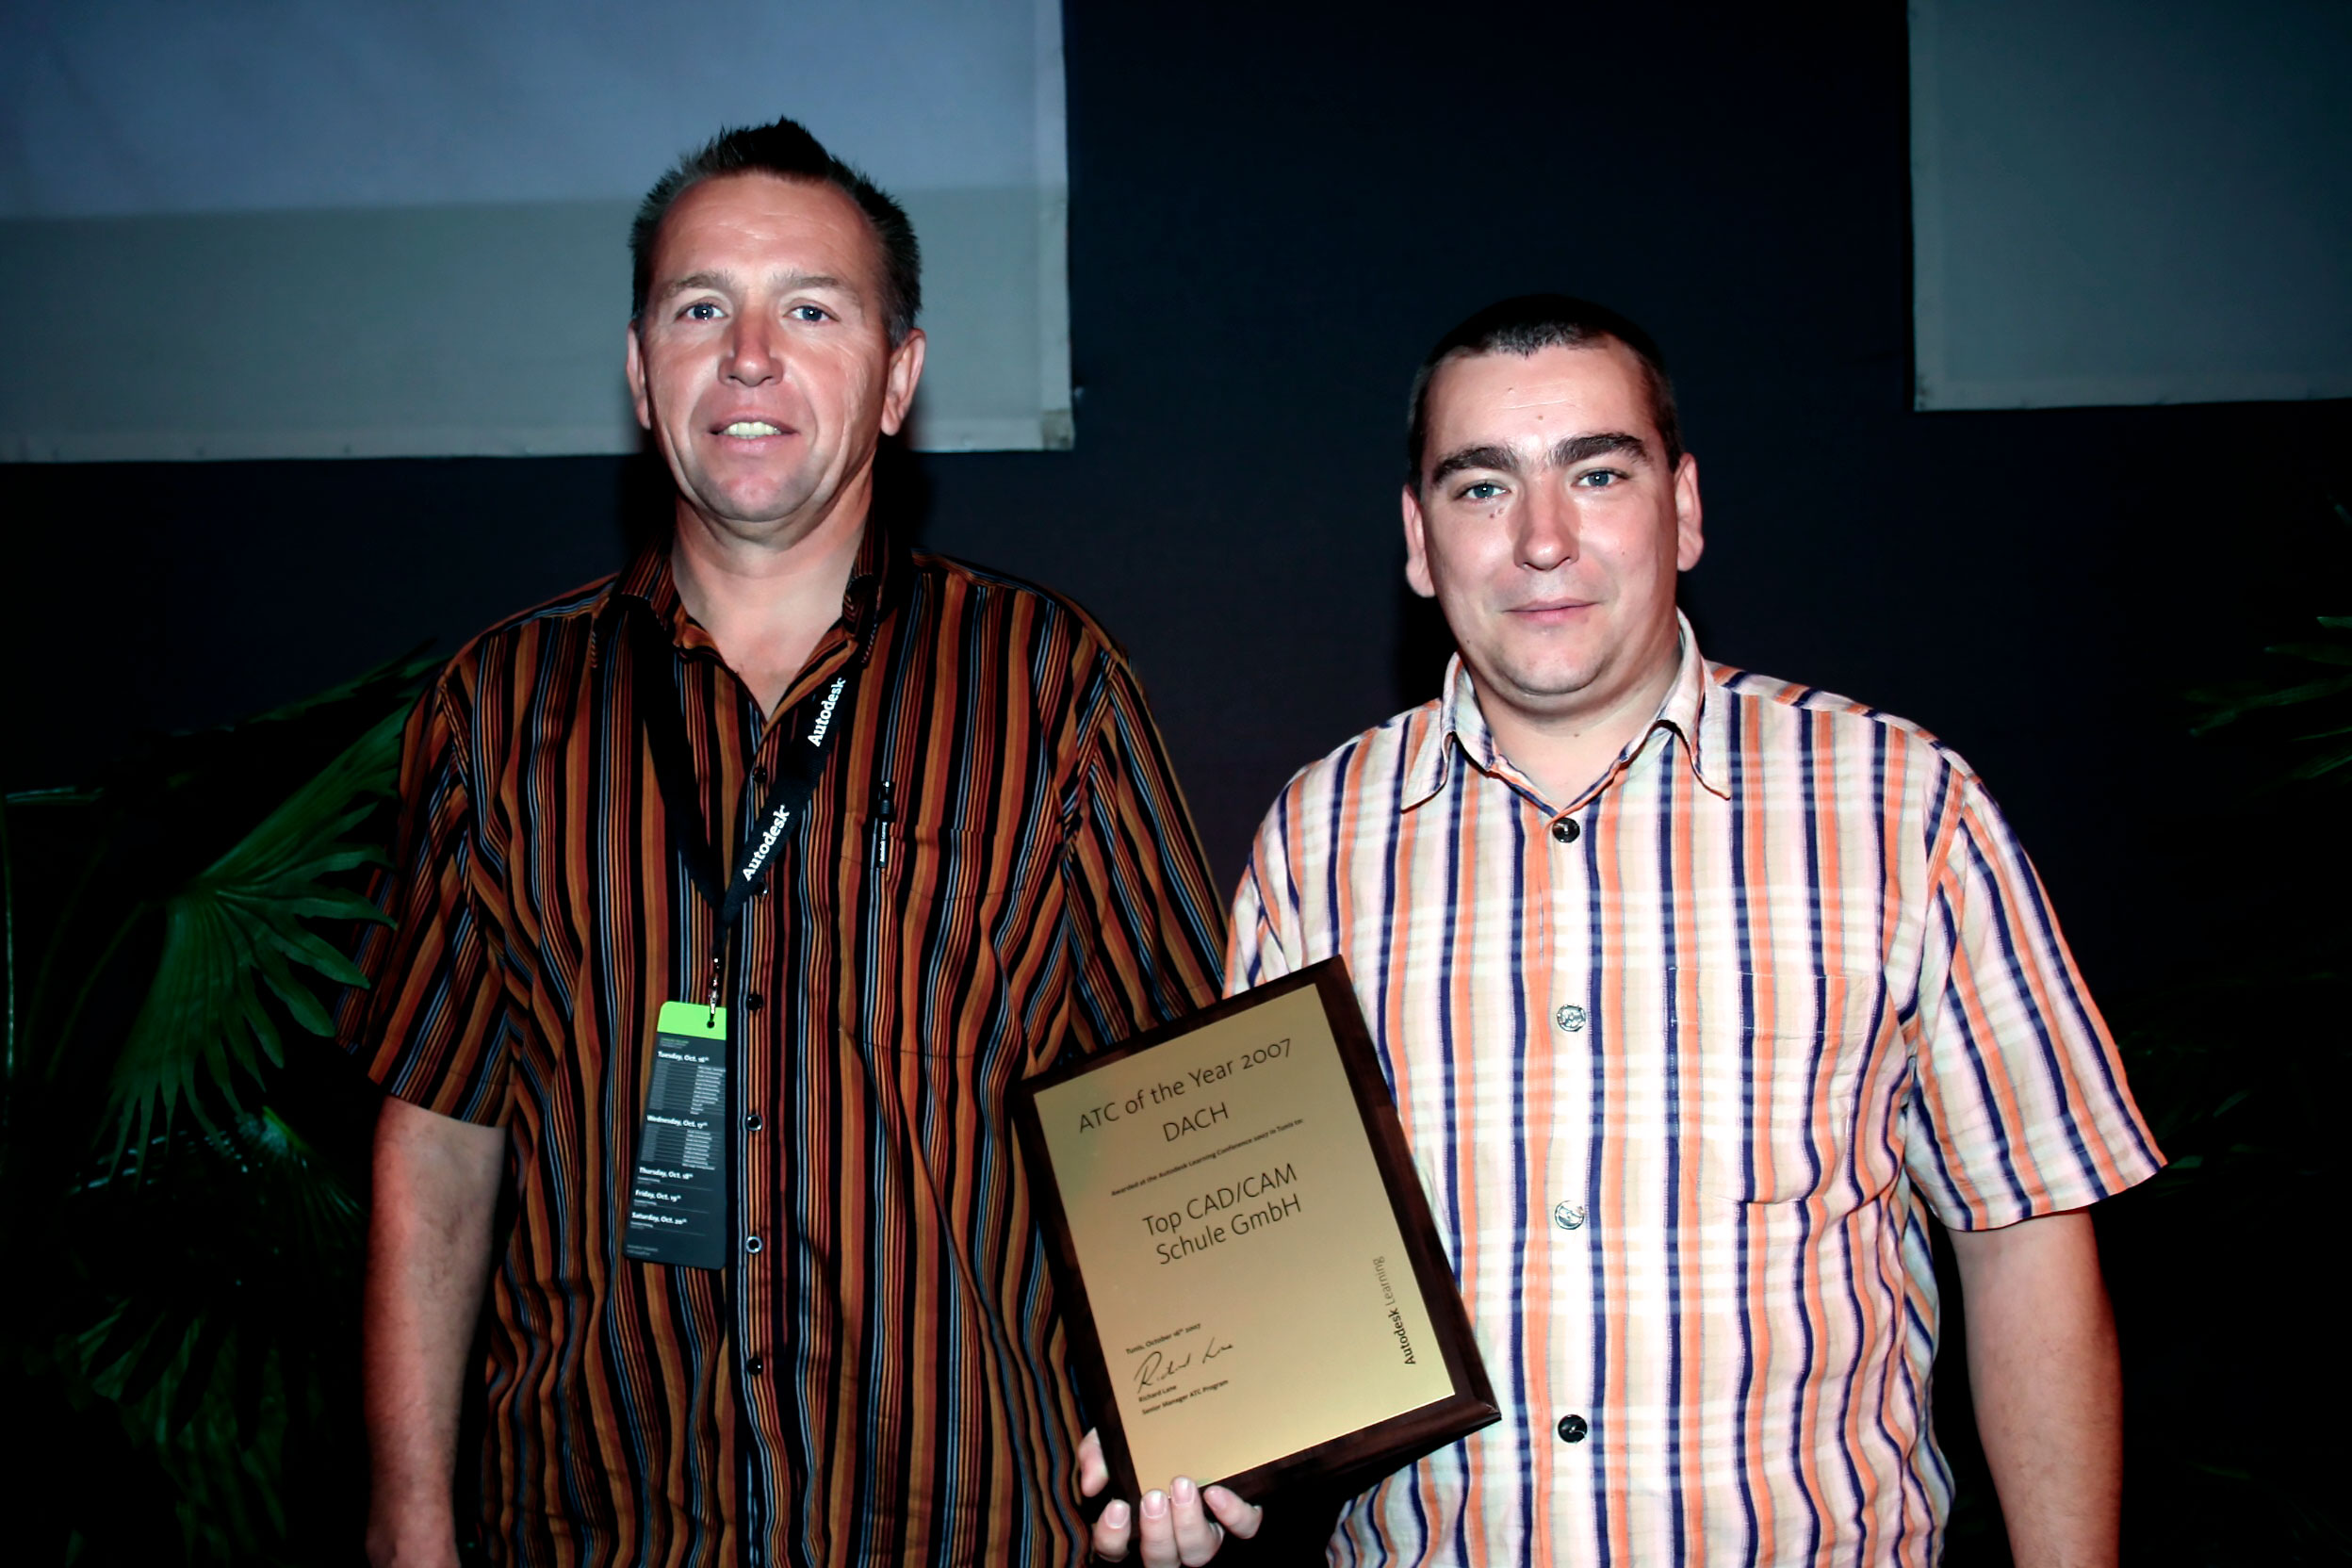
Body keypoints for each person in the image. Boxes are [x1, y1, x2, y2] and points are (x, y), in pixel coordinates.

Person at [343, 117, 1231, 1568]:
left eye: (810, 309)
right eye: (702, 308)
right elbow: (437, 1138)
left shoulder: (1050, 682)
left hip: (968, 1527)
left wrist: (1199, 1416)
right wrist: (408, 1518)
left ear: (898, 377)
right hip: (591, 1528)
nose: (749, 355)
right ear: (641, 370)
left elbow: (1178, 1099)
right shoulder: (500, 705)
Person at [1219, 296, 2164, 1567]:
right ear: (1417, 539)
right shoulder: (1314, 840)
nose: (1542, 540)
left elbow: (2027, 1242)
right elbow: (1265, 1275)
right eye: (1482, 487)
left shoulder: (1903, 806)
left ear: (1687, 506)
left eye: (1597, 473)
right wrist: (1186, 1427)